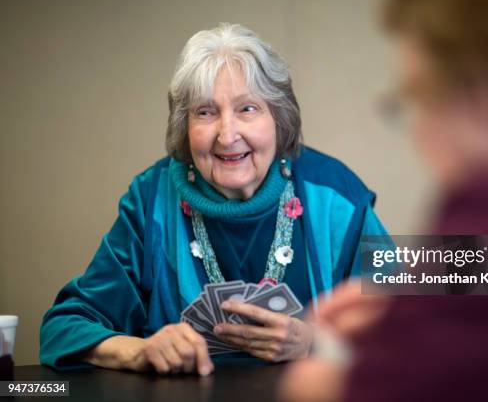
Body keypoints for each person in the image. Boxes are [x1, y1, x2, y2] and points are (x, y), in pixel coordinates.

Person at [279, 0, 488, 401]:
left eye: (416, 99)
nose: (417, 133)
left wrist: (319, 382)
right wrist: (425, 291)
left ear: (480, 94)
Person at [39, 23, 387, 376]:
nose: (227, 134)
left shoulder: (334, 192)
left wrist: (316, 343)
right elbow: (62, 328)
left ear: (279, 119)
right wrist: (139, 351)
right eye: (205, 112)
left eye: (247, 109)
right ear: (183, 126)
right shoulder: (151, 199)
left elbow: (425, 311)